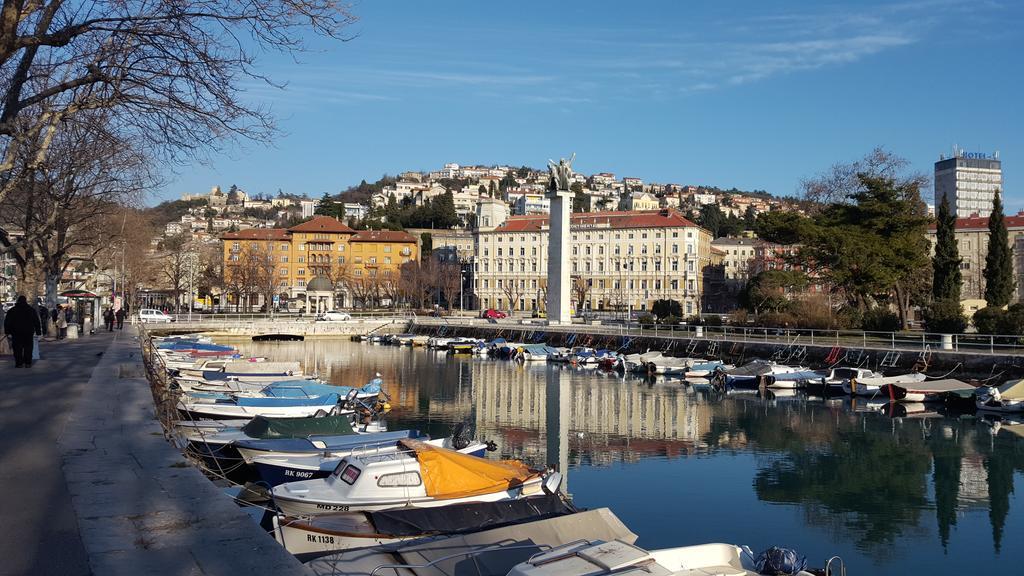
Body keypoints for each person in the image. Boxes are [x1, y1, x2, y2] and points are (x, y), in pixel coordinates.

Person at [4, 295, 42, 367]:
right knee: (28, 348)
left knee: (17, 348)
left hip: (16, 333)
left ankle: (19, 363)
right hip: (28, 332)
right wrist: (38, 332)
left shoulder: (12, 311)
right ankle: (28, 363)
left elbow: (7, 322)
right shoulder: (31, 310)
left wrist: (7, 332)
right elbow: (36, 321)